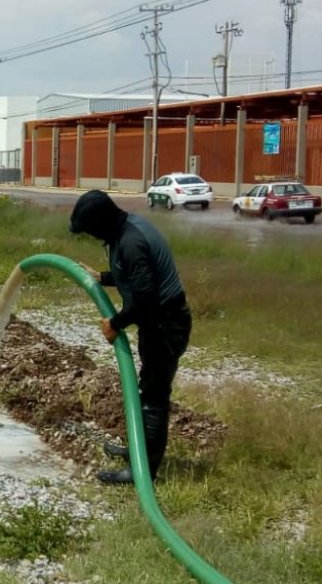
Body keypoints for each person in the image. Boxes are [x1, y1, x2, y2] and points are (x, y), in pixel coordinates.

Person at [69, 190, 192, 485]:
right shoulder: (126, 228)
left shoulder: (131, 242)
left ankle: (143, 473)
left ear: (100, 224)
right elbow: (137, 276)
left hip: (165, 324)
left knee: (154, 397)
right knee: (147, 387)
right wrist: (103, 277)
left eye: (89, 231)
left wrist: (114, 323)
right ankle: (137, 450)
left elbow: (145, 299)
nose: (90, 237)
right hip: (158, 323)